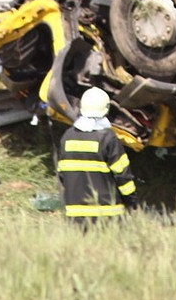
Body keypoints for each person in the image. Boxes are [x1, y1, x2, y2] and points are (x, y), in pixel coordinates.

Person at [56, 86, 136, 223]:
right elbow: (123, 176)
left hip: (75, 214)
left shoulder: (67, 137)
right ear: (106, 109)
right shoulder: (108, 138)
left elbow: (62, 174)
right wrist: (131, 201)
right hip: (107, 214)